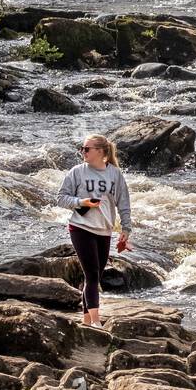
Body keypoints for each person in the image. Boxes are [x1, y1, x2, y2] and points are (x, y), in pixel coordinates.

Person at [57, 135, 131, 328]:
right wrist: (81, 202)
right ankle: (97, 321)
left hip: (104, 230)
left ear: (101, 152)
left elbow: (124, 203)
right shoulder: (77, 172)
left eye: (87, 149)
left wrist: (126, 229)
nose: (83, 152)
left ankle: (87, 321)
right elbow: (61, 198)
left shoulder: (115, 174)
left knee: (95, 277)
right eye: (82, 148)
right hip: (80, 227)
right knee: (91, 274)